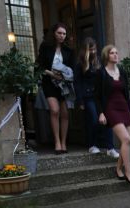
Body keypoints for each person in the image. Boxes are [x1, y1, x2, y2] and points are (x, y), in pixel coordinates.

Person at [95, 45, 130, 185]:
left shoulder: (123, 72)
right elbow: (97, 96)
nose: (115, 55)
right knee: (125, 139)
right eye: (112, 53)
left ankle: (118, 168)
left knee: (126, 142)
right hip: (111, 109)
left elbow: (126, 95)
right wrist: (101, 112)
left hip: (124, 108)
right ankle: (129, 172)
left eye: (116, 52)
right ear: (106, 56)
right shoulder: (101, 73)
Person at [74, 37, 119, 158]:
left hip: (101, 96)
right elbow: (77, 83)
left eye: (94, 49)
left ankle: (110, 147)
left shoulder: (99, 61)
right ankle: (92, 145)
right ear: (85, 50)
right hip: (88, 96)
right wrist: (80, 100)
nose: (93, 52)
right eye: (91, 50)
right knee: (93, 119)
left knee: (107, 119)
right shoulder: (80, 64)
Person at [36, 23, 75, 154]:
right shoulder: (46, 47)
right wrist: (51, 74)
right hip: (49, 82)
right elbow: (39, 66)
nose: (62, 36)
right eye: (59, 33)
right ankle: (57, 142)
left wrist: (65, 75)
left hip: (64, 85)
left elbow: (73, 68)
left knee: (65, 114)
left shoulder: (69, 50)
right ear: (54, 33)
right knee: (54, 110)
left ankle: (64, 142)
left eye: (64, 34)